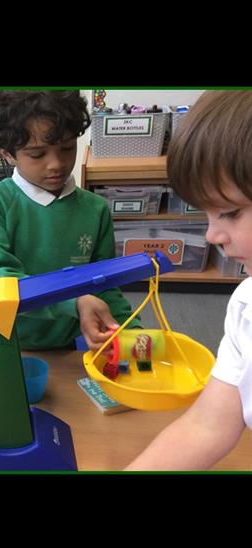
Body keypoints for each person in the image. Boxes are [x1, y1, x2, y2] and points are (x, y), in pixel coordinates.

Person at [128, 90, 252, 470]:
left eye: (230, 212)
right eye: (207, 215)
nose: (212, 235)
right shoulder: (245, 306)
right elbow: (206, 427)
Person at [0, 90, 140, 350]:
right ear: (8, 154)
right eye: (37, 154)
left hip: (62, 340)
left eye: (67, 148)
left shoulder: (95, 209)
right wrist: (73, 302)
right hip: (0, 338)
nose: (56, 164)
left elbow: (105, 284)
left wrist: (129, 329)